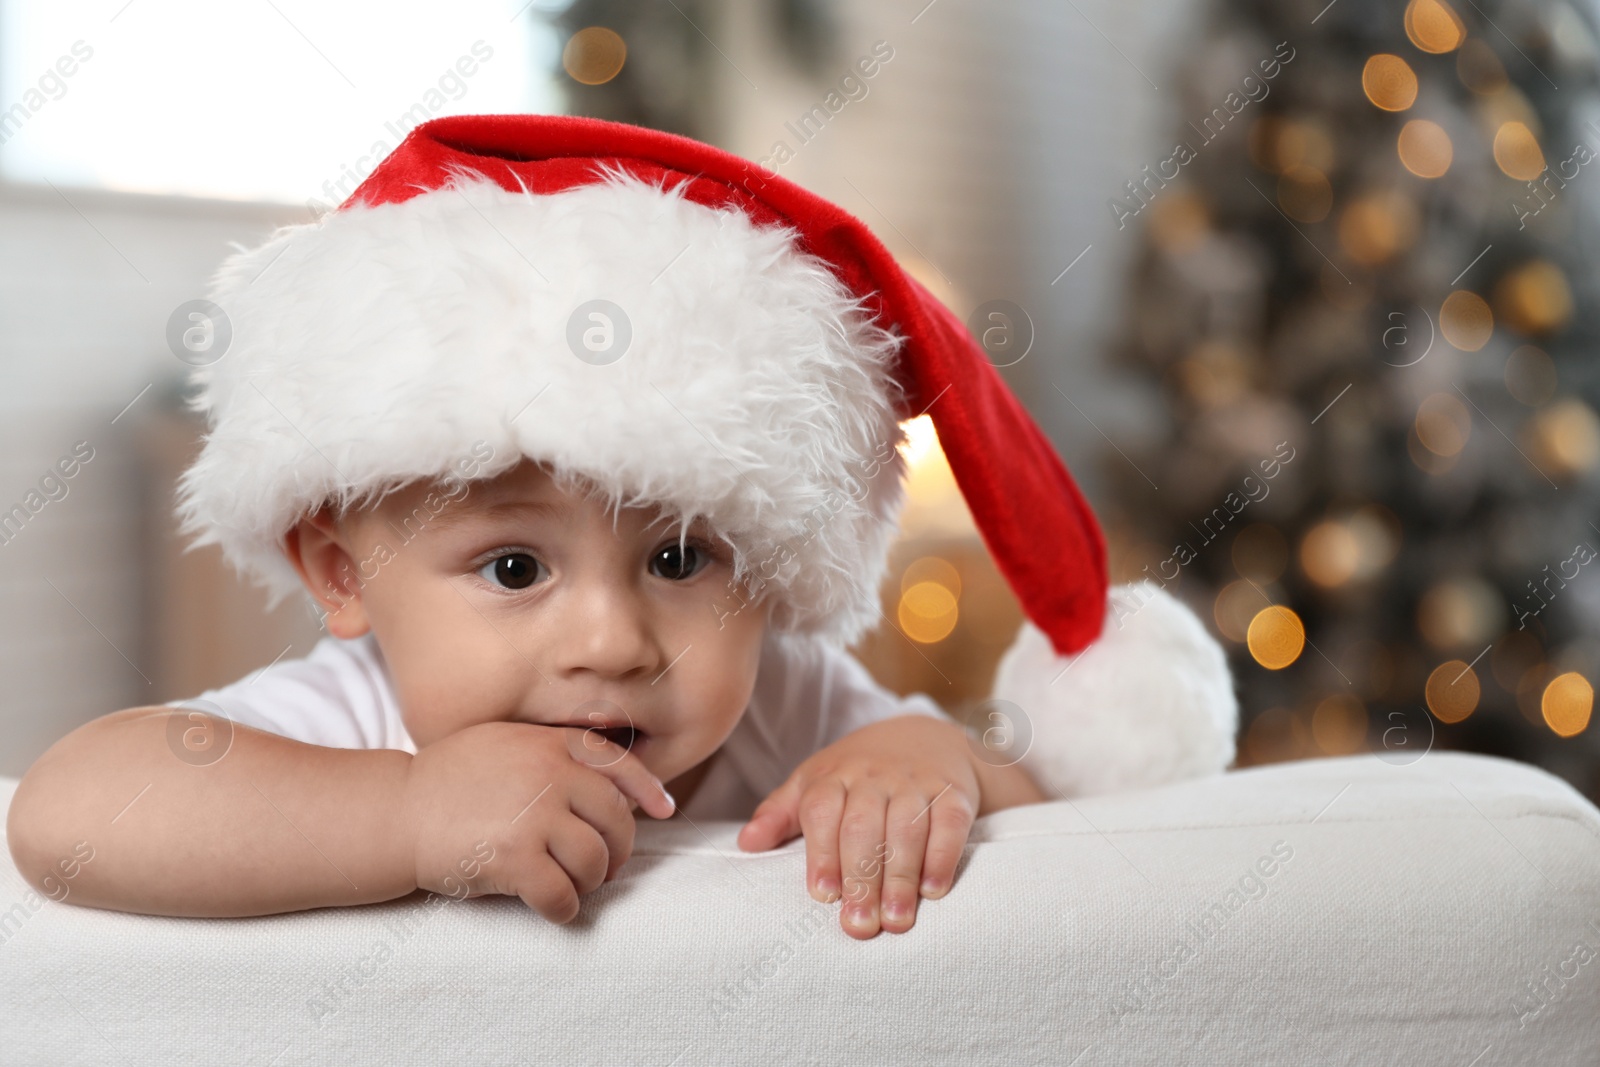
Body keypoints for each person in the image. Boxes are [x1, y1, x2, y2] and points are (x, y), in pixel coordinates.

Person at [5, 114, 1236, 940]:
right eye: (513, 564)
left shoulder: (790, 704)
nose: (611, 637)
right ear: (345, 574)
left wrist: (939, 769)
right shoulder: (357, 715)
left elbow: (1041, 800)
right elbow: (66, 812)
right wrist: (408, 813)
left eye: (679, 557)